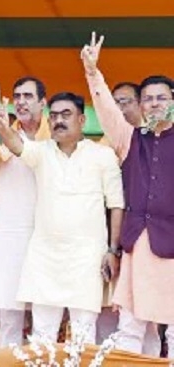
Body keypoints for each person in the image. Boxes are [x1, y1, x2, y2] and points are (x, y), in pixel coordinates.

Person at [0, 90, 124, 344]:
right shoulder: (42, 152)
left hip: (87, 257)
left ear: (82, 120)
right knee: (42, 334)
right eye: (53, 116)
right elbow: (16, 145)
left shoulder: (102, 155)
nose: (58, 121)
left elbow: (117, 205)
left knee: (84, 334)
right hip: (45, 255)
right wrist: (1, 124)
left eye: (66, 114)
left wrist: (113, 250)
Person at [82, 31, 174, 357]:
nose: (153, 104)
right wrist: (93, 72)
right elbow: (107, 109)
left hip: (173, 243)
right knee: (131, 323)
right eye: (147, 98)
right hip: (139, 242)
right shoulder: (130, 138)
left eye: (161, 98)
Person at [0, 78, 51, 347]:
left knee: (45, 318)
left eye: (28, 96)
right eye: (17, 96)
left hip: (46, 236)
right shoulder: (4, 138)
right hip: (11, 236)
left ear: (43, 102)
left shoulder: (56, 137)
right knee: (9, 319)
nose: (21, 101)